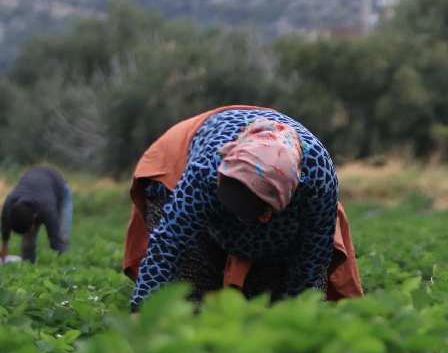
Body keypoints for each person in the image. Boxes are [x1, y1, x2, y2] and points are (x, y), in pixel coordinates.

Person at [123, 106, 363, 310]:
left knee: (268, 300)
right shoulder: (207, 170)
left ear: (269, 213)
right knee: (194, 292)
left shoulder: (318, 182)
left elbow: (310, 264)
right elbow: (170, 243)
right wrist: (142, 309)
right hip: (182, 162)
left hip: (284, 210)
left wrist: (296, 322)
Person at [1, 166, 72, 263]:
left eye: (30, 228)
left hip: (60, 192)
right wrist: (4, 245)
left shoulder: (48, 209)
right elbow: (5, 222)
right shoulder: (10, 203)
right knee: (27, 244)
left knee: (61, 237)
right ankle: (28, 266)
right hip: (37, 187)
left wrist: (59, 269)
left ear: (34, 217)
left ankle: (67, 269)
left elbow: (55, 236)